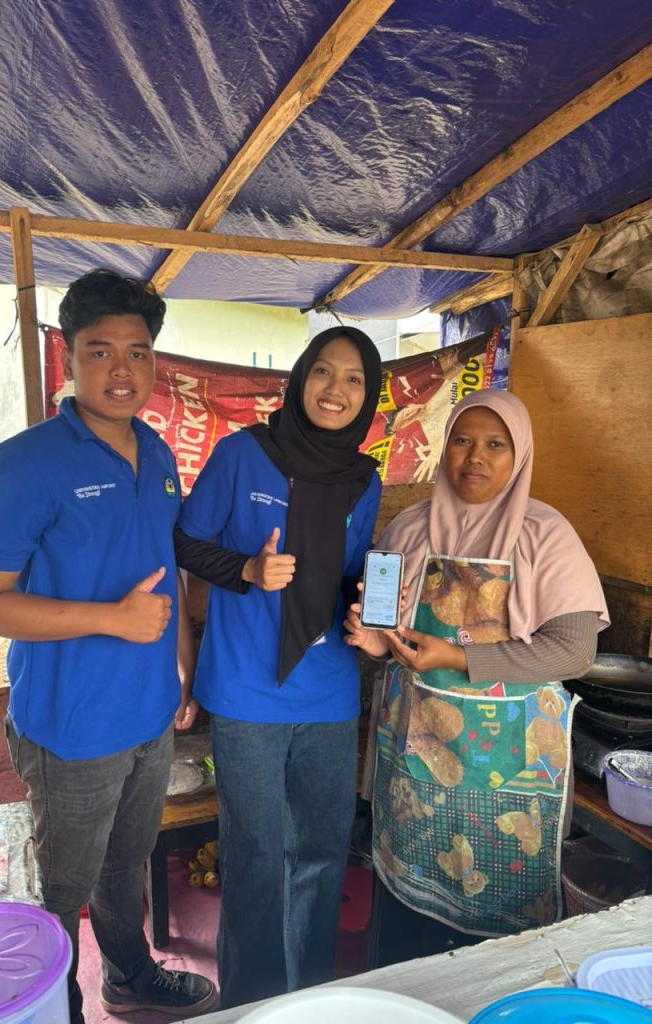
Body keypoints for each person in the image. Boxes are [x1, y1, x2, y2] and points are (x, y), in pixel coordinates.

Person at [0, 269, 217, 1023]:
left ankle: (129, 977)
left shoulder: (158, 455)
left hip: (148, 715)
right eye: (100, 351)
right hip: (71, 725)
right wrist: (111, 619)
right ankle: (55, 1006)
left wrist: (182, 669)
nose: (121, 369)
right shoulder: (25, 463)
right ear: (68, 358)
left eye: (138, 353)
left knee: (126, 863)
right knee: (63, 887)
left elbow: (165, 571)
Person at [345, 388, 609, 965]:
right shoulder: (408, 528)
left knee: (499, 951)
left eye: (496, 445)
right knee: (405, 935)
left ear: (520, 455)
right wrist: (376, 643)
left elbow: (572, 652)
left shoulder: (545, 535)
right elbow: (392, 640)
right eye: (463, 440)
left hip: (507, 770)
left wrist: (458, 657)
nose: (476, 457)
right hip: (415, 758)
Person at [174, 328, 383, 1009]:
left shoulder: (364, 479)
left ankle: (308, 1001)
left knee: (321, 854)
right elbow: (185, 541)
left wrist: (370, 611)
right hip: (248, 691)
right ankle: (252, 1005)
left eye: (354, 379)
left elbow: (351, 575)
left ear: (368, 396)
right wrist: (246, 569)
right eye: (323, 371)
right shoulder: (243, 455)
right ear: (299, 378)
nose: (335, 389)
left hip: (329, 692)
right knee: (256, 857)